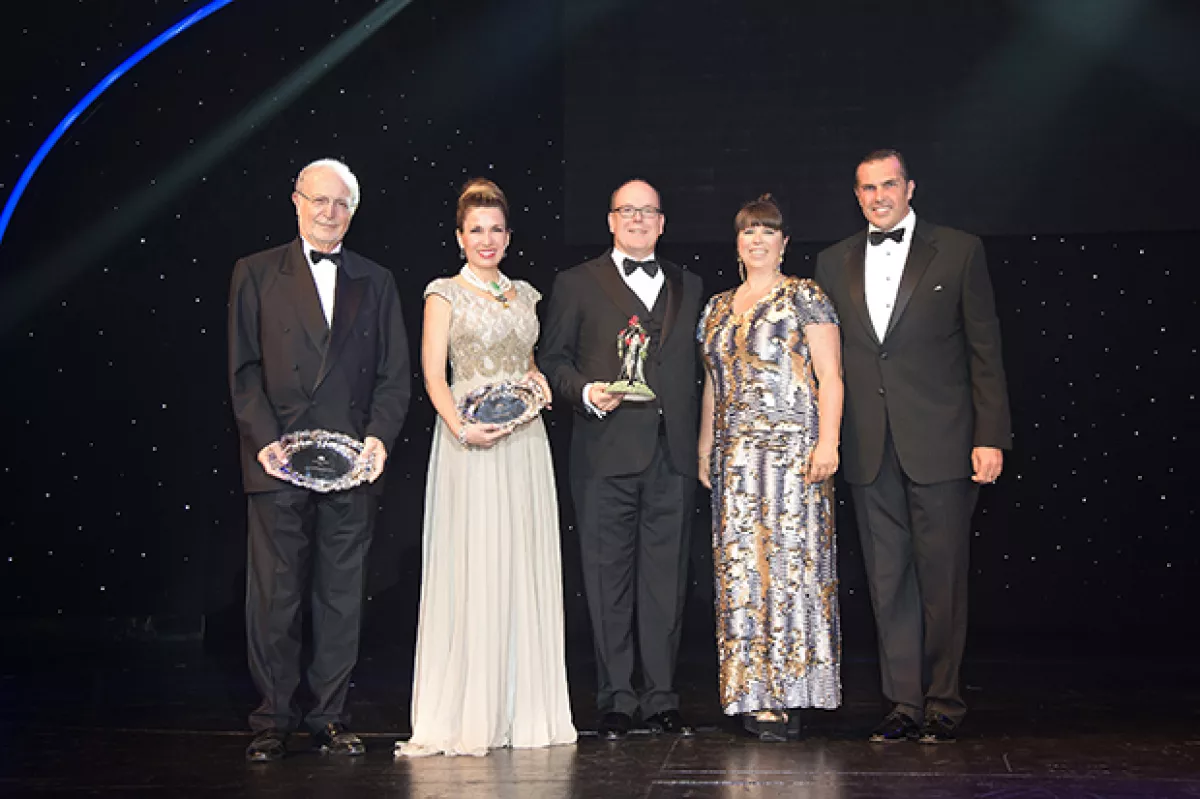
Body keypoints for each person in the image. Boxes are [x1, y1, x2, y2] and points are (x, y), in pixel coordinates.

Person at [814, 149, 1011, 744]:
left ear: (909, 187)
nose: (879, 196)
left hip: (943, 443)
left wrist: (990, 436)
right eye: (867, 188)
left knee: (943, 577)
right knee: (887, 580)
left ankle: (944, 703)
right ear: (857, 196)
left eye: (888, 185)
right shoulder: (832, 261)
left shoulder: (958, 250)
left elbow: (986, 352)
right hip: (870, 448)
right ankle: (902, 704)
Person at [228, 158, 411, 761]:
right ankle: (272, 718)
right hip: (277, 462)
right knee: (275, 596)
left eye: (339, 204)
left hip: (350, 466)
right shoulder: (254, 274)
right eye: (318, 200)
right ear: (296, 202)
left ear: (352, 212)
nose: (328, 212)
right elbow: (244, 372)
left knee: (339, 594)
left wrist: (379, 437)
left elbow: (392, 376)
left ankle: (329, 715)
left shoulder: (375, 279)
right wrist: (266, 443)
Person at [396, 178, 576, 758]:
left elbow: (526, 361)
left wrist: (541, 382)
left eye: (496, 229)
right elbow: (431, 374)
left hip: (524, 441)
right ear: (459, 236)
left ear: (508, 235)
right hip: (468, 439)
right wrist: (461, 428)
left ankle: (525, 706)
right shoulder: (443, 294)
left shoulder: (525, 293)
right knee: (477, 561)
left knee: (521, 559)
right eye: (476, 230)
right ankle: (470, 708)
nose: (487, 239)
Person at [538, 179, 704, 740]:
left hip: (673, 455)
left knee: (665, 582)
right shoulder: (576, 283)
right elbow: (553, 360)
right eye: (626, 211)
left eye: (648, 212)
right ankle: (616, 697)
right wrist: (585, 393)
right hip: (604, 452)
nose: (637, 220)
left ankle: (661, 697)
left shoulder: (692, 285)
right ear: (610, 221)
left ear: (662, 223)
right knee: (608, 579)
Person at [697, 194, 844, 742]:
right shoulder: (715, 308)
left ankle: (792, 694)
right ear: (737, 243)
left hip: (792, 456)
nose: (757, 240)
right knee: (742, 572)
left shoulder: (805, 296)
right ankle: (751, 694)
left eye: (768, 232)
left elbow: (831, 375)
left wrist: (828, 441)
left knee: (790, 570)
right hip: (734, 460)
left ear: (784, 242)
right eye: (748, 232)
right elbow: (714, 381)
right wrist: (704, 447)